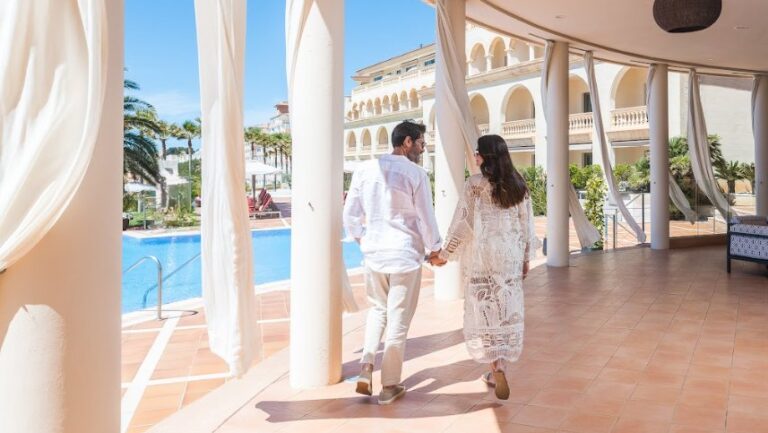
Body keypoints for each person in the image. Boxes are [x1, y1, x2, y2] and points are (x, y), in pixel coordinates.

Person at [343, 120, 442, 405]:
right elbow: (426, 216)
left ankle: (365, 366)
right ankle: (389, 386)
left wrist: (364, 240)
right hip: (404, 256)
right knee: (398, 321)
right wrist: (435, 249)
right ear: (408, 142)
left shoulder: (364, 169)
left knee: (377, 311)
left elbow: (350, 214)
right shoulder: (416, 173)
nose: (423, 149)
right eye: (421, 144)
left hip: (374, 255)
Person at [433, 134, 536, 400]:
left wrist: (445, 253)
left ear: (488, 156)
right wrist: (525, 258)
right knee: (504, 310)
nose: (475, 156)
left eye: (478, 152)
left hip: (482, 259)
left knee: (485, 314)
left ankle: (495, 367)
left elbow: (463, 223)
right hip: (509, 259)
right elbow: (526, 225)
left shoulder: (475, 185)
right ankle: (498, 367)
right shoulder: (519, 184)